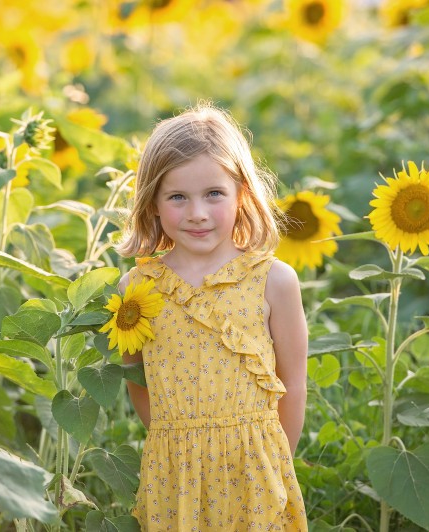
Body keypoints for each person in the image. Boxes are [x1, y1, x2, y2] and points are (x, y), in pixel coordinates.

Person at [116, 103, 308, 530]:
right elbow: (135, 377)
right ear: (152, 205)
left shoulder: (274, 279)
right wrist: (174, 437)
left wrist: (277, 460)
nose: (197, 213)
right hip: (174, 472)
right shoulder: (138, 287)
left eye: (213, 194)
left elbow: (293, 382)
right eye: (178, 197)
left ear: (241, 195)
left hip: (255, 466)